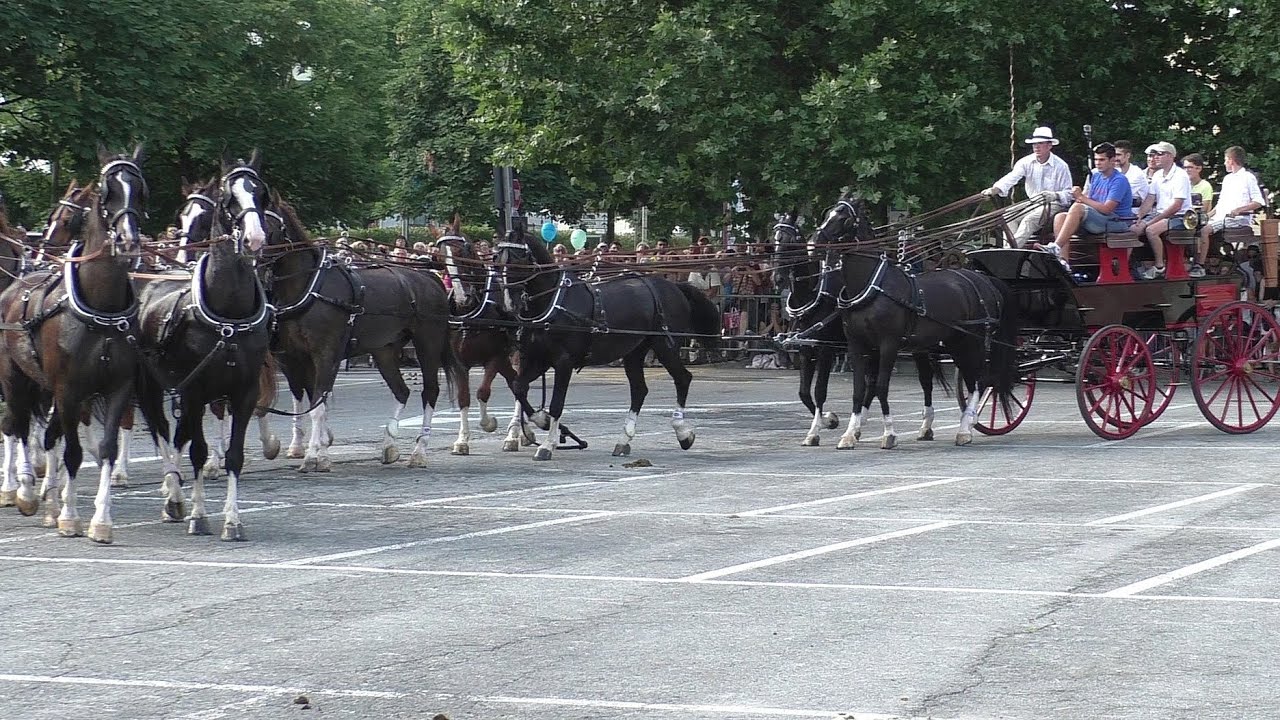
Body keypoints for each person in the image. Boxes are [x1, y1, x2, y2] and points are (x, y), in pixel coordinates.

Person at [1037, 142, 1134, 271]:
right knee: (1060, 216)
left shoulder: (1119, 180)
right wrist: (1079, 197)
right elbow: (1088, 200)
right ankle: (1063, 261)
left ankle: (1056, 246)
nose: (1098, 163)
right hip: (1099, 218)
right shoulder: (1096, 176)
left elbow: (1107, 209)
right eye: (1096, 160)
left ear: (1112, 161)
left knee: (1078, 208)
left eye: (1102, 160)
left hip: (1116, 221)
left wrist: (1082, 198)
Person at [981, 126, 1074, 247]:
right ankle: (1010, 249)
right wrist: (995, 189)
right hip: (1033, 202)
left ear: (1049, 146)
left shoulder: (1061, 166)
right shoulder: (1026, 162)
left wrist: (1055, 195)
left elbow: (1068, 194)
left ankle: (1010, 251)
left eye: (1040, 143)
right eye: (1034, 144)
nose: (1036, 147)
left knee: (1029, 220)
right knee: (1008, 215)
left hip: (1055, 205)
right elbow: (1012, 177)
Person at [1193, 146, 1265, 277]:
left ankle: (1200, 265)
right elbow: (1221, 204)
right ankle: (1203, 260)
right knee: (1194, 227)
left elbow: (1258, 201)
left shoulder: (1248, 177)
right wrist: (1206, 216)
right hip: (1220, 217)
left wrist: (1239, 210)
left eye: (1225, 160)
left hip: (1237, 220)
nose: (1224, 163)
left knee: (1205, 230)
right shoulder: (1227, 179)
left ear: (1231, 160)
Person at [1131, 142, 1191, 279]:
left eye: (1159, 154)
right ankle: (1131, 266)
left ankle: (1159, 266)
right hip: (1160, 215)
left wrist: (1152, 220)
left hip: (1180, 217)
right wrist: (1139, 215)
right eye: (1154, 154)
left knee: (1151, 230)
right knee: (1134, 229)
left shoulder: (1180, 176)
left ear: (1170, 156)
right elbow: (1150, 198)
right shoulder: (1158, 175)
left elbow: (1177, 205)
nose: (1155, 157)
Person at [1113, 140, 1150, 208]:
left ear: (1128, 155)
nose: (1115, 158)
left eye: (1118, 155)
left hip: (1133, 212)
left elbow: (1119, 194)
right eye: (1113, 155)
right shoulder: (1113, 170)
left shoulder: (1136, 174)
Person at [1182, 153, 1214, 217]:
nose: (1186, 170)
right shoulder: (1182, 185)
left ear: (1198, 168)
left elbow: (1204, 209)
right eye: (1185, 167)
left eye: (1189, 167)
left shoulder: (1205, 186)